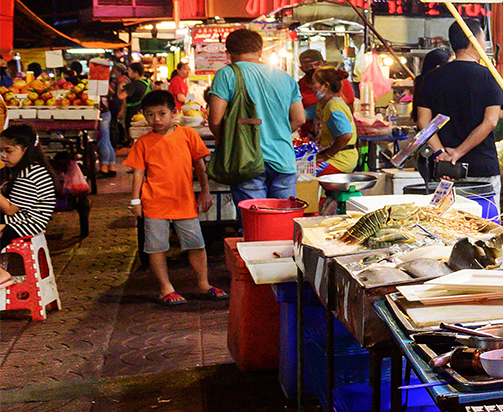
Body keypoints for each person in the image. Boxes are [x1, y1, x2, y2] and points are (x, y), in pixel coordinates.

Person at [126, 90, 220, 305]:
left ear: (174, 113)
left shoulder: (188, 135)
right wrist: (135, 201)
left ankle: (203, 283)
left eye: (161, 113)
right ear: (143, 115)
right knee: (156, 247)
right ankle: (165, 287)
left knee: (196, 243)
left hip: (184, 200)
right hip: (154, 202)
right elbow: (138, 173)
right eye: (149, 115)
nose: (156, 119)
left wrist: (205, 191)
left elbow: (200, 165)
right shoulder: (143, 142)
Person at [206, 27, 306, 202]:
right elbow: (299, 118)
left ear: (229, 53)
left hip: (246, 159)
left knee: (255, 222)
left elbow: (215, 119)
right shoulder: (284, 77)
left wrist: (227, 140)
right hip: (283, 159)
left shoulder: (227, 74)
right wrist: (276, 132)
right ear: (260, 50)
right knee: (282, 221)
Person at [416, 22, 503, 195]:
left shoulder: (430, 78)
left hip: (444, 171)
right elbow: (491, 121)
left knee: (448, 221)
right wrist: (458, 152)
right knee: (483, 221)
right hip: (482, 168)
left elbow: (423, 122)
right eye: (483, 39)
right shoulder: (489, 76)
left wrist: (441, 153)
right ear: (474, 42)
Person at [0, 124, 56, 288]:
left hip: (27, 223)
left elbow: (10, 209)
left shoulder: (30, 174)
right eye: (1, 151)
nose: (3, 156)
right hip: (19, 219)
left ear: (26, 149)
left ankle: (2, 274)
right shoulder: (24, 170)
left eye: (8, 151)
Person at [312, 69, 358, 174]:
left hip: (341, 160)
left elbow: (346, 135)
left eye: (314, 83)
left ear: (325, 86)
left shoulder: (334, 106)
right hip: (335, 157)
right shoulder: (322, 104)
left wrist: (326, 156)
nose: (312, 86)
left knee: (304, 174)